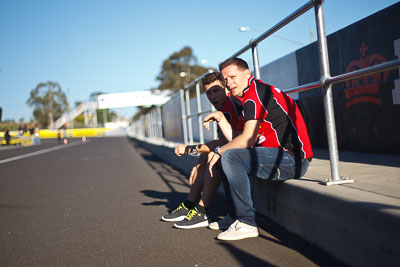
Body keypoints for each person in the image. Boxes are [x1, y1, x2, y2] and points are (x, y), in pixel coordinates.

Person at [205, 58, 313, 240]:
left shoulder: (256, 93)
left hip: (292, 160)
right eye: (226, 80)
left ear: (247, 74)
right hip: (274, 156)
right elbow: (236, 139)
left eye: (233, 77)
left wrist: (218, 152)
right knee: (226, 158)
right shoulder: (247, 96)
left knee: (229, 157)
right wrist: (221, 120)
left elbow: (246, 140)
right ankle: (235, 216)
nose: (229, 84)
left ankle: (247, 222)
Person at [161, 72, 244, 229]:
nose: (212, 96)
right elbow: (220, 141)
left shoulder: (230, 107)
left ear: (226, 89)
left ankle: (201, 210)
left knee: (214, 153)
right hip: (240, 147)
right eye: (208, 93)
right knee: (208, 154)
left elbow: (225, 142)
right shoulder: (224, 106)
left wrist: (189, 149)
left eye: (216, 91)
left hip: (253, 149)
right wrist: (198, 162)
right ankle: (189, 204)